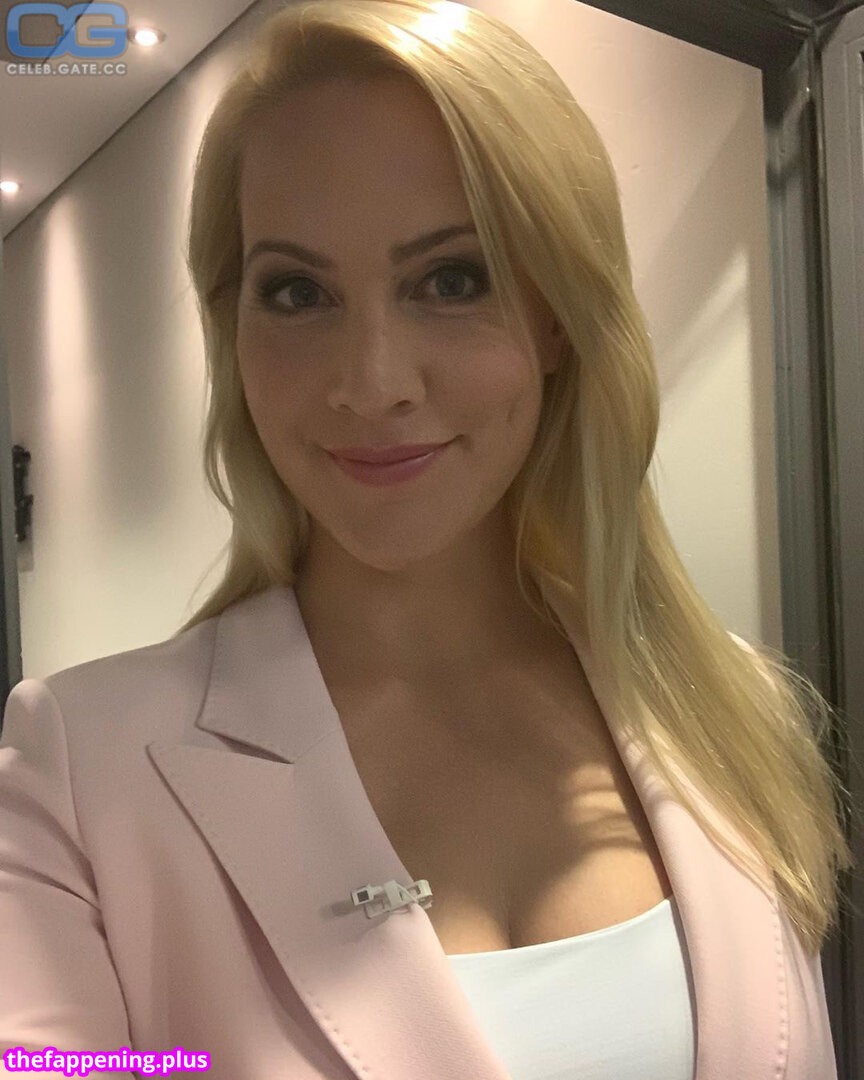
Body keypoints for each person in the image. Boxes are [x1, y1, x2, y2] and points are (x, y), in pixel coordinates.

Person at [0, 2, 852, 1078]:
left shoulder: (732, 712)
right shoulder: (83, 772)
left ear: (557, 315)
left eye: (452, 279)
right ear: (235, 330)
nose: (372, 383)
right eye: (297, 292)